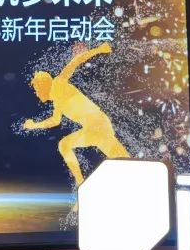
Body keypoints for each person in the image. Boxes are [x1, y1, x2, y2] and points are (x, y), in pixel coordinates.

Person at [24, 42, 130, 187]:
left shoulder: (59, 84)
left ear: (43, 86)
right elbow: (55, 121)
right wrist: (34, 125)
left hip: (98, 126)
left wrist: (99, 49)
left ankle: (81, 182)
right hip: (95, 127)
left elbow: (74, 62)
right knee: (123, 160)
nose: (36, 94)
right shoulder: (57, 100)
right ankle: (81, 182)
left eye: (36, 89)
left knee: (124, 161)